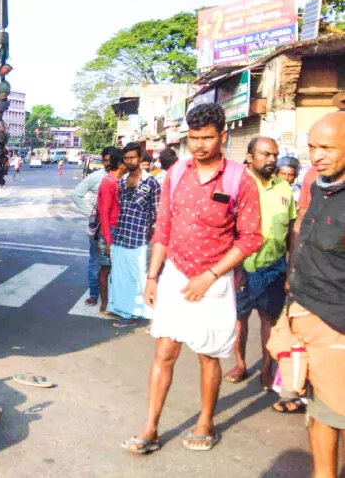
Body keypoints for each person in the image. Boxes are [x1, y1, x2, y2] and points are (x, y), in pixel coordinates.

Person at [122, 103, 262, 454]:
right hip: (175, 274)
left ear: (222, 136)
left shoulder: (239, 179)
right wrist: (152, 276)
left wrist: (211, 275)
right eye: (195, 138)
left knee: (207, 355)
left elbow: (251, 238)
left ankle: (206, 423)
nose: (200, 145)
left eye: (208, 138)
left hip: (214, 280)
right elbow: (163, 228)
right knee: (164, 351)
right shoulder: (176, 174)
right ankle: (150, 428)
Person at [268, 112, 345, 477]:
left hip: (336, 327)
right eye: (312, 147)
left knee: (335, 413)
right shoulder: (319, 186)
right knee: (318, 413)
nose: (316, 156)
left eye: (326, 147)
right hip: (303, 315)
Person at [223, 137, 295, 390]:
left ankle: (266, 368)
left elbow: (291, 230)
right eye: (265, 154)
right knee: (239, 318)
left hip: (273, 267)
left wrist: (291, 268)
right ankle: (240, 364)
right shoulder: (236, 184)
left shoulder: (284, 188)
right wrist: (234, 267)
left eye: (274, 154)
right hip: (241, 266)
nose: (272, 159)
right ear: (250, 157)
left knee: (269, 319)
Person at [108, 142, 161, 327]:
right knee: (122, 279)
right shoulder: (122, 182)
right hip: (121, 238)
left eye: (132, 157)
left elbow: (158, 212)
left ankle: (153, 317)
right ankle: (128, 313)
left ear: (140, 158)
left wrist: (154, 238)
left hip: (140, 240)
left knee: (141, 279)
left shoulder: (151, 182)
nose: (129, 161)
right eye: (126, 158)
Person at [71, 147, 115, 307]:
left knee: (114, 263)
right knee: (96, 261)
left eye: (111, 160)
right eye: (105, 160)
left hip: (117, 227)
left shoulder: (123, 176)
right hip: (99, 228)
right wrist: (90, 214)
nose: (108, 163)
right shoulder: (96, 177)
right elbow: (76, 195)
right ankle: (94, 294)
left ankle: (112, 295)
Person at [97, 148, 126, 315]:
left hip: (118, 229)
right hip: (110, 230)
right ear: (120, 164)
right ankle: (105, 304)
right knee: (106, 268)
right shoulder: (109, 182)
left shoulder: (118, 181)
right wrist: (108, 240)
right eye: (125, 161)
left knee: (116, 269)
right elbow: (104, 213)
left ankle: (114, 303)